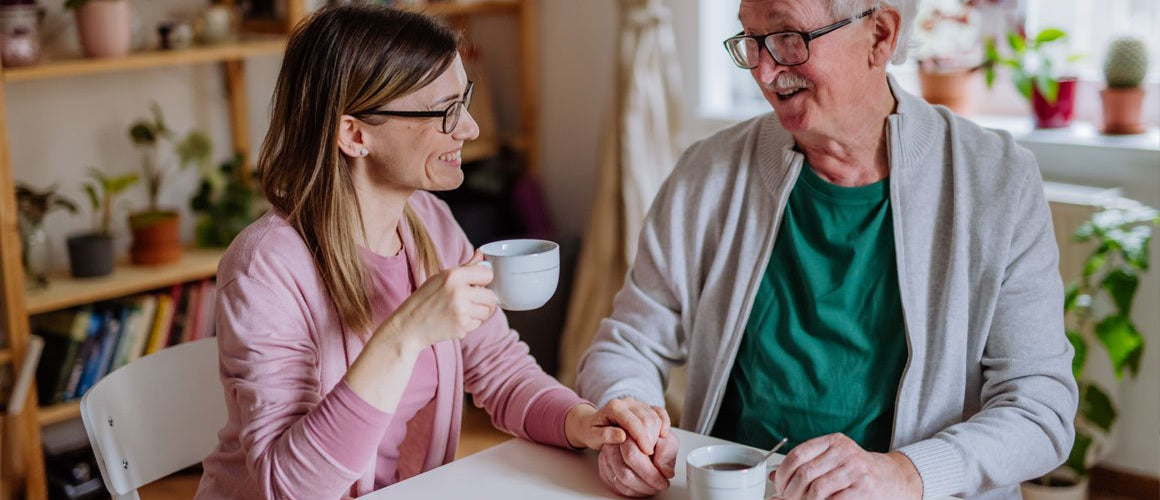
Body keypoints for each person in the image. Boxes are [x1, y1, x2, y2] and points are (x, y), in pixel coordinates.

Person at [576, 0, 1078, 499]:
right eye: (751, 40)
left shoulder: (996, 180)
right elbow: (627, 344)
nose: (766, 70)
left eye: (789, 38)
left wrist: (904, 473)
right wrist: (628, 417)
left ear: (879, 35)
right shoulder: (707, 174)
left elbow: (1040, 409)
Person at [194, 5, 667, 499]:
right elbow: (290, 488)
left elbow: (500, 370)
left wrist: (583, 421)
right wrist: (405, 334)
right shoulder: (265, 269)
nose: (470, 128)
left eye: (464, 101)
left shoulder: (429, 223)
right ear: (355, 134)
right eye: (445, 112)